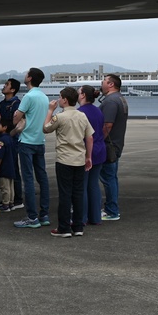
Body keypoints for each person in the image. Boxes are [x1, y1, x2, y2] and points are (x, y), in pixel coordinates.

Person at [43, 87, 93, 237]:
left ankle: (64, 228)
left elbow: (46, 128)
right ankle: (78, 226)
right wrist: (88, 156)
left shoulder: (61, 116)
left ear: (64, 100)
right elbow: (89, 137)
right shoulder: (82, 115)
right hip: (79, 159)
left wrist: (50, 110)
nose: (58, 100)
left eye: (59, 97)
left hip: (65, 159)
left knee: (65, 194)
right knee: (78, 193)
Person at [12, 67, 50, 229]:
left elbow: (15, 118)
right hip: (40, 141)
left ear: (29, 78)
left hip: (27, 142)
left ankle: (32, 217)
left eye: (26, 73)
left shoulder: (29, 96)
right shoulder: (44, 97)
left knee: (28, 179)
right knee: (42, 178)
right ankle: (44, 214)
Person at [99, 73, 128, 221]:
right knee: (112, 178)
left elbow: (107, 125)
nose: (101, 83)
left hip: (108, 146)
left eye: (104, 81)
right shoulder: (120, 99)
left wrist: (98, 141)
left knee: (108, 178)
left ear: (111, 84)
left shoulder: (110, 101)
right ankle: (112, 208)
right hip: (116, 144)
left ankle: (111, 211)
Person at [77, 84, 106, 226]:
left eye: (78, 93)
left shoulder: (80, 112)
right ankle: (95, 217)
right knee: (93, 185)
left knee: (81, 186)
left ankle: (80, 218)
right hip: (100, 149)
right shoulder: (98, 111)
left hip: (86, 151)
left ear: (82, 95)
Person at [0, 78, 24, 210]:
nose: (4, 86)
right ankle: (9, 199)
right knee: (6, 168)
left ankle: (17, 199)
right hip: (2, 138)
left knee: (12, 168)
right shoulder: (2, 104)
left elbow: (17, 123)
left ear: (12, 89)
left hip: (12, 139)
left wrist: (10, 135)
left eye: (7, 85)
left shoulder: (17, 104)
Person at [0, 127, 16, 211]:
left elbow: (0, 155)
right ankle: (11, 202)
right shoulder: (10, 138)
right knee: (11, 186)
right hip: (11, 165)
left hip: (4, 166)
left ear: (5, 127)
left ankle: (5, 204)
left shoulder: (1, 140)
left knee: (4, 186)